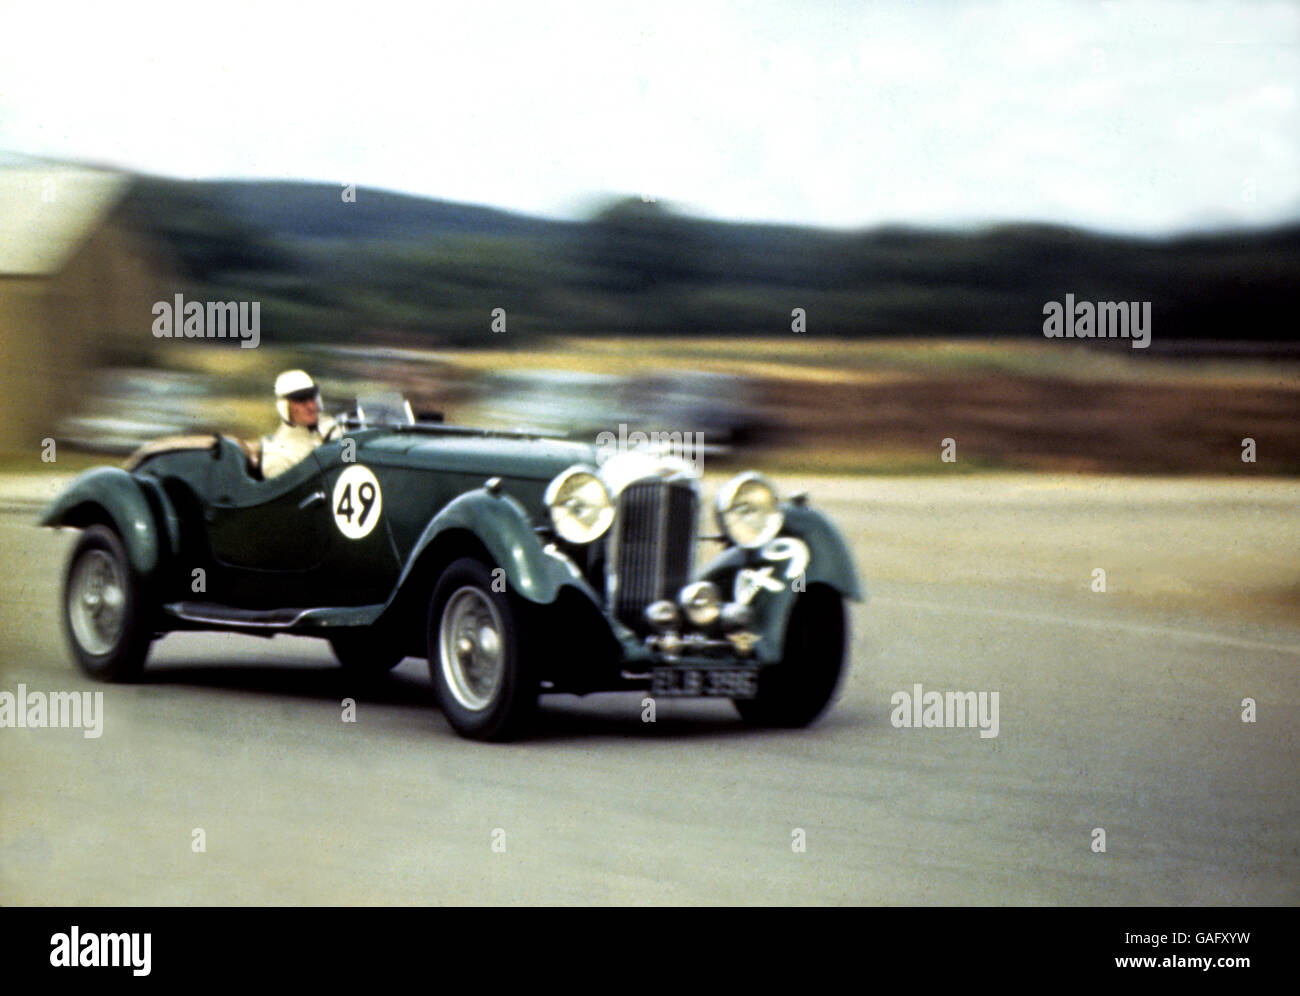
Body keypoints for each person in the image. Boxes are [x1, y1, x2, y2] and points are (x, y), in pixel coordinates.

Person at [261, 370, 341, 478]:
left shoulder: (331, 427)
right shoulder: (278, 457)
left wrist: (351, 439)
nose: (311, 407)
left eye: (312, 398)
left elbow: (351, 463)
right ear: (285, 407)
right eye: (301, 400)